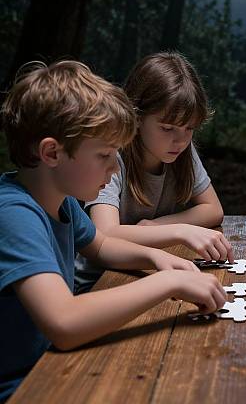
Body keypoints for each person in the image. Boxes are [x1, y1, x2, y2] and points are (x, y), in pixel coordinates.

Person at [0, 61, 227, 402]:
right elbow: (63, 322)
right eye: (105, 155)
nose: (113, 166)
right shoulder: (15, 213)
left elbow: (102, 245)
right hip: (23, 385)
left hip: (54, 365)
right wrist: (166, 282)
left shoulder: (61, 202)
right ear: (51, 153)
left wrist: (157, 258)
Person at [75, 52, 233, 293]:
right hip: (97, 283)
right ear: (137, 117)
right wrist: (180, 231)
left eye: (189, 128)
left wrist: (155, 226)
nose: (180, 140)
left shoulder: (182, 150)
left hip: (148, 272)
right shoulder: (112, 155)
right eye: (167, 128)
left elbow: (213, 209)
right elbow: (106, 232)